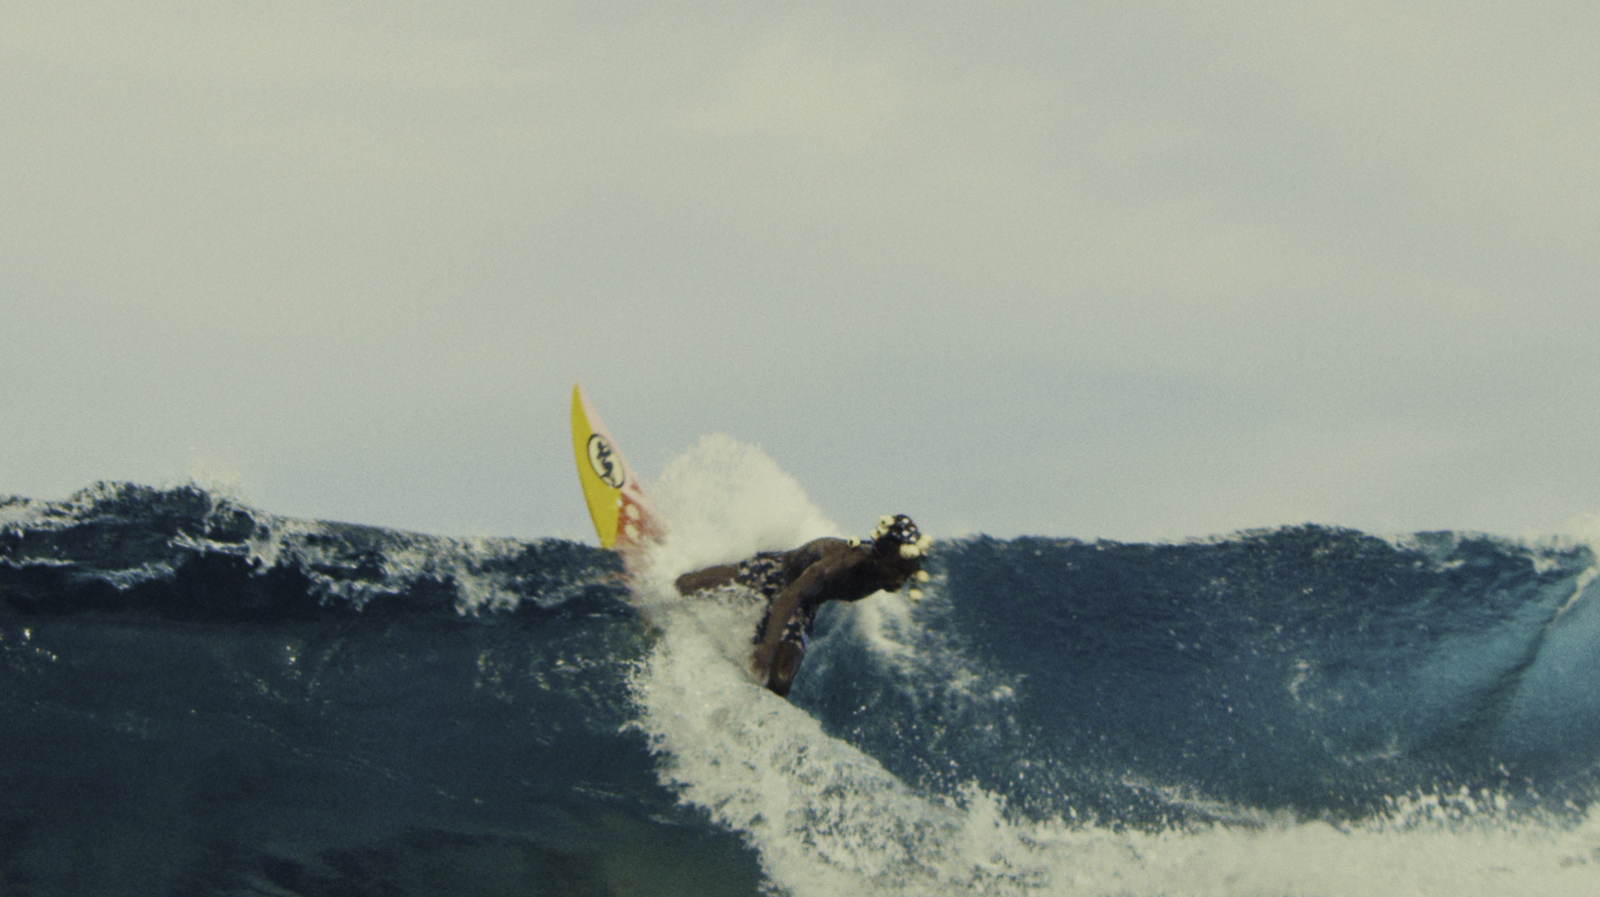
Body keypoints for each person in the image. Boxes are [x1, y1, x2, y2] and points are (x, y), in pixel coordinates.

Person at [674, 514, 932, 697]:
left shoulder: (891, 569)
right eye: (897, 571)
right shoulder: (838, 566)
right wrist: (768, 646)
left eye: (906, 574)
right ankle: (663, 579)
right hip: (778, 574)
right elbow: (790, 595)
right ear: (877, 556)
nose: (900, 581)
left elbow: (800, 602)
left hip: (806, 604)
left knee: (781, 682)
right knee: (690, 585)